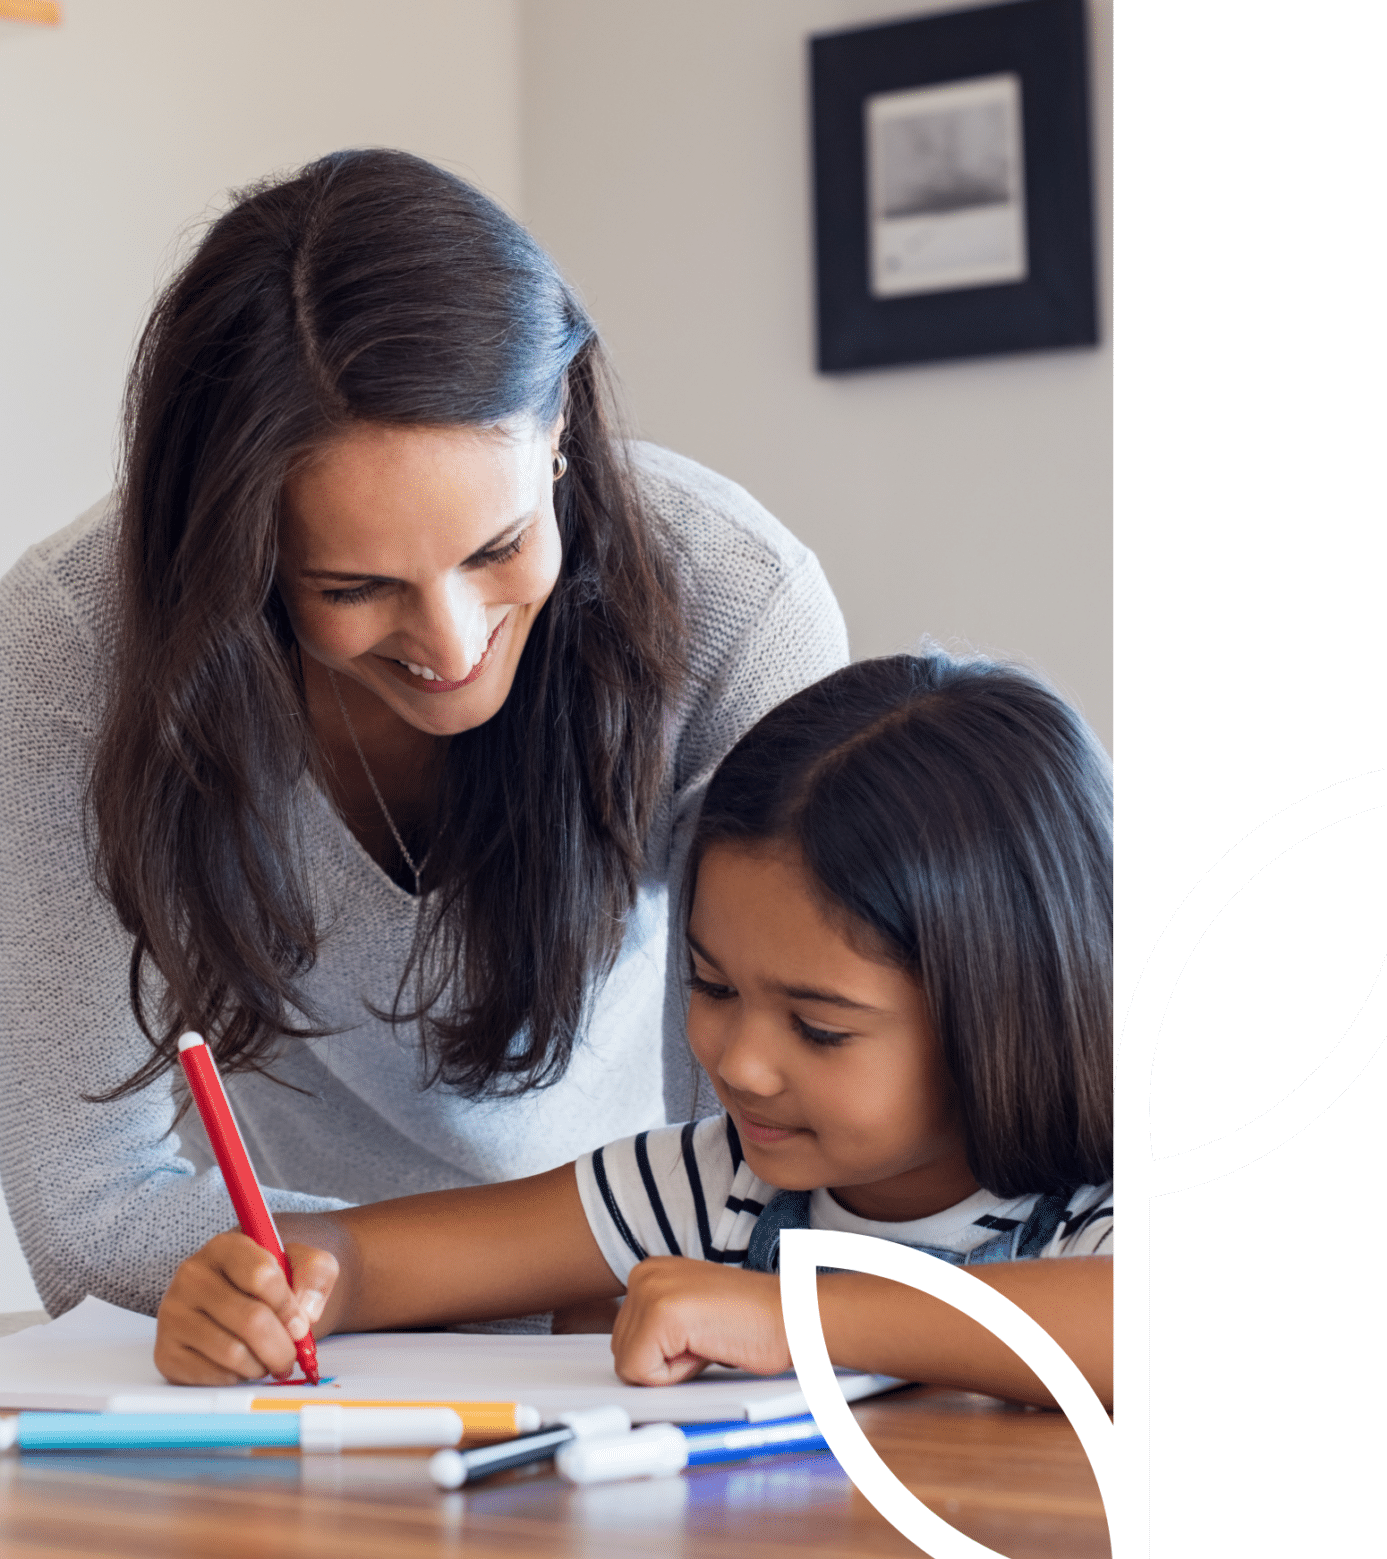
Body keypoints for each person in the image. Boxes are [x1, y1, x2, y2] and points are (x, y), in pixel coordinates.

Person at [0, 149, 848, 1319]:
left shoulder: (736, 603)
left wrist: (604, 1270)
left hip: (638, 1324)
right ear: (238, 556)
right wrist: (367, 1285)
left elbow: (794, 1145)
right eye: (350, 586)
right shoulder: (71, 650)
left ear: (559, 430)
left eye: (498, 549)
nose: (450, 645)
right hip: (276, 1344)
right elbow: (91, 1213)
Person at [155, 655, 1114, 1406]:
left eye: (819, 1029)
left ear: (1006, 1011)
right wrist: (279, 1288)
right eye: (709, 983)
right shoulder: (710, 1185)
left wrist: (794, 1318)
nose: (737, 1063)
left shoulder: (1103, 1207)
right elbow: (369, 1259)